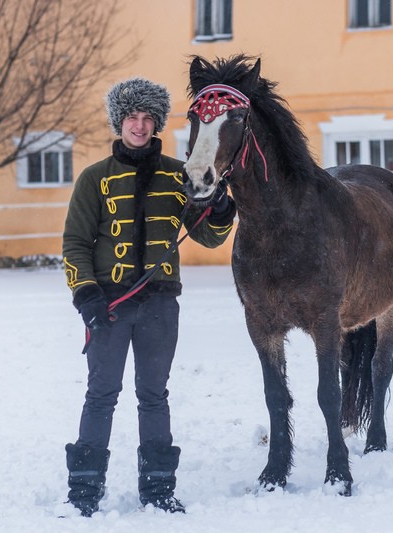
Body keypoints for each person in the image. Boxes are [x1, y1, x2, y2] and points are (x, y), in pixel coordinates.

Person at [61, 77, 236, 516]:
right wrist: (86, 295)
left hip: (160, 305)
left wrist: (219, 209)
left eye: (147, 118)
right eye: (131, 118)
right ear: (119, 122)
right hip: (110, 307)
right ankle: (84, 490)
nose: (139, 126)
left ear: (157, 123)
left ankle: (158, 489)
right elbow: (74, 244)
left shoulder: (180, 175)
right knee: (101, 395)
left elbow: (210, 238)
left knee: (154, 395)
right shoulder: (94, 178)